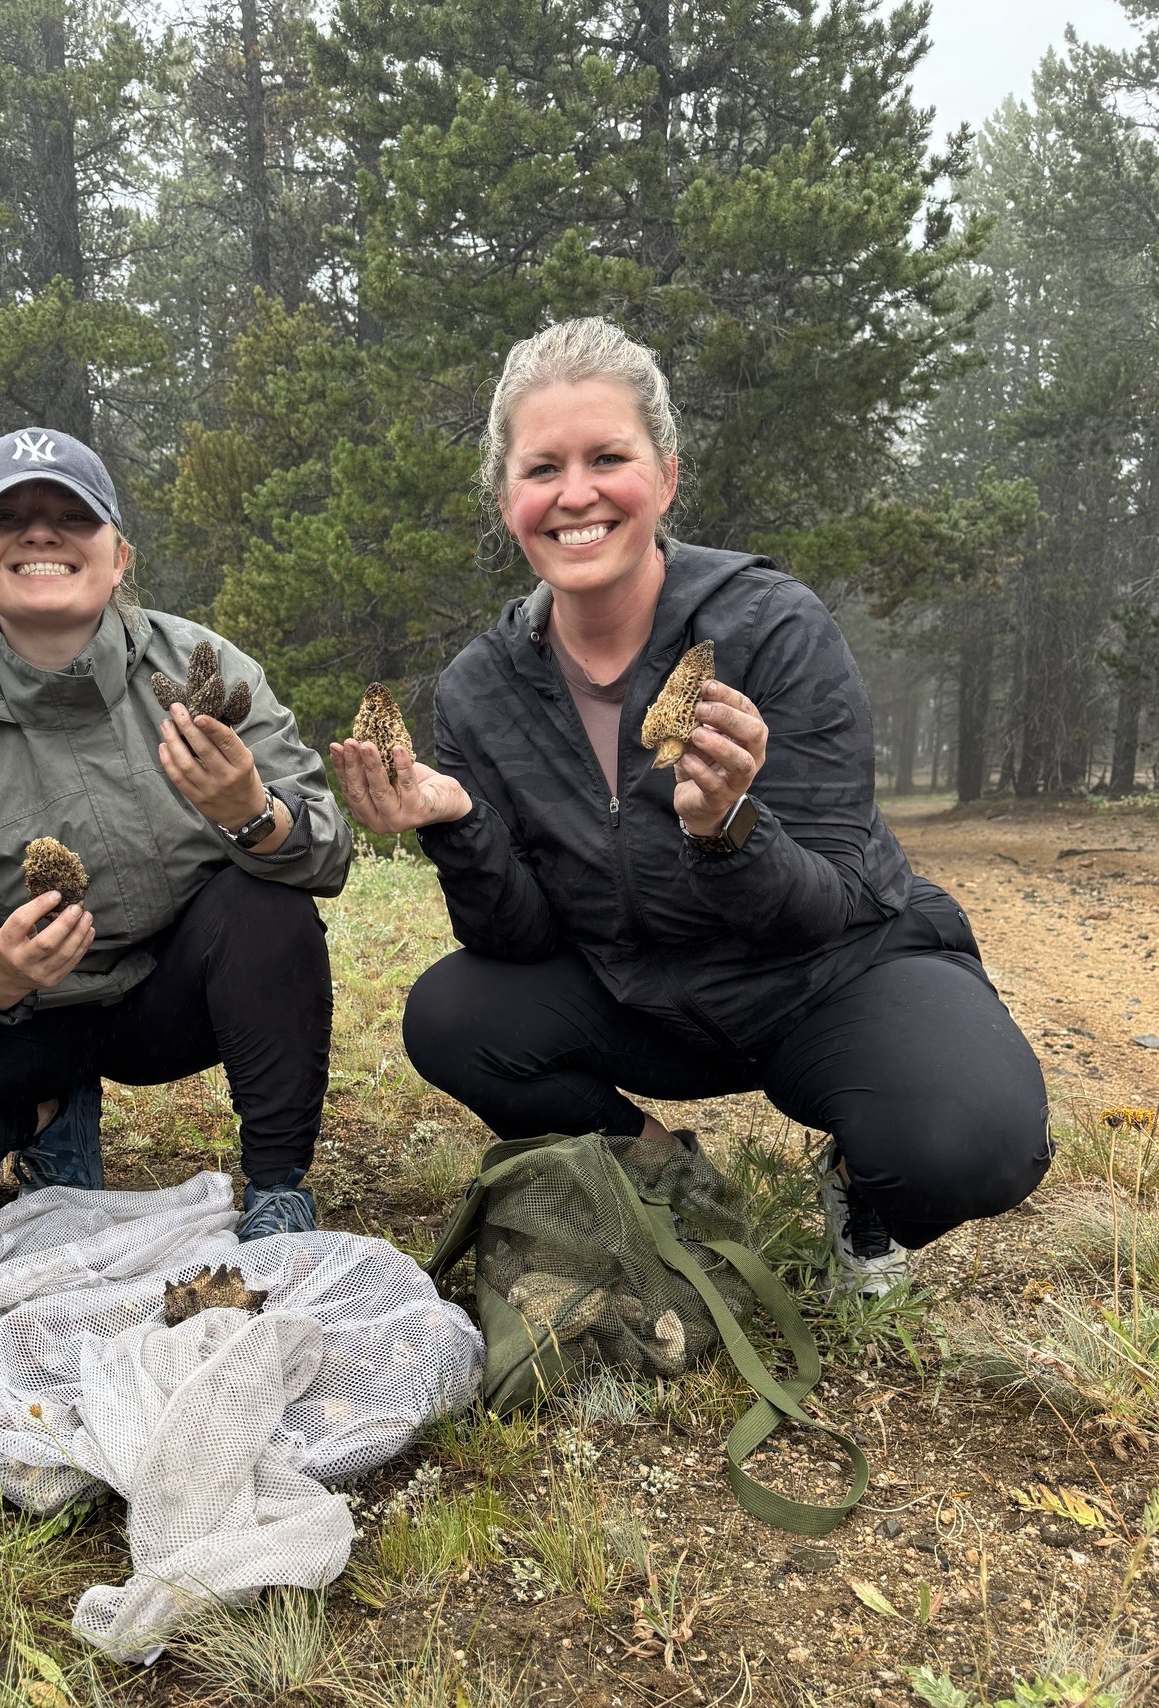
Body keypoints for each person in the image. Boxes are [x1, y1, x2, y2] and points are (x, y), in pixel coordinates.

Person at [331, 318, 1051, 1294]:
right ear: (506, 498)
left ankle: (866, 1190)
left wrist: (729, 831)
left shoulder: (774, 627)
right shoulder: (481, 690)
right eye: (542, 466)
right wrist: (456, 819)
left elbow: (833, 899)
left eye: (608, 458)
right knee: (453, 1012)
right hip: (643, 996)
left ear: (665, 478)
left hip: (829, 980)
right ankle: (663, 1171)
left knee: (971, 1143)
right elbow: (517, 935)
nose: (575, 492)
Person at [0, 429, 351, 1237]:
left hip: (172, 1001)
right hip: (26, 1018)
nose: (40, 532)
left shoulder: (205, 670)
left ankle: (275, 1189)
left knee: (271, 908)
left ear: (118, 556)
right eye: (6, 517)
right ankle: (47, 1111)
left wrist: (251, 814)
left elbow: (328, 852)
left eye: (71, 515)